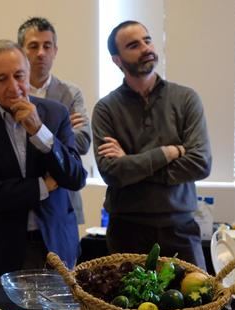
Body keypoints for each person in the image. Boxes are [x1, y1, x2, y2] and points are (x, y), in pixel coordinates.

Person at [0, 39, 87, 286]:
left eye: (19, 76)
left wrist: (40, 132)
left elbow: (75, 177)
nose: (13, 87)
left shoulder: (55, 114)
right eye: (1, 79)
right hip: (1, 251)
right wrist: (41, 187)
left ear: (28, 74)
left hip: (55, 245)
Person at [92, 20, 212, 269]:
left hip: (179, 228)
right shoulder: (106, 109)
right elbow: (112, 173)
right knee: (127, 307)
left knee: (198, 306)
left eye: (147, 40)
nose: (145, 48)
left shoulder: (186, 99)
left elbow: (200, 163)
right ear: (117, 60)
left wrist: (131, 163)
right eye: (133, 45)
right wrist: (168, 152)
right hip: (127, 232)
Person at [17, 17, 92, 225]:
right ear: (21, 51)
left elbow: (84, 141)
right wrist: (63, 129)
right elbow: (10, 145)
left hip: (63, 197)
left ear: (55, 51)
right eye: (33, 46)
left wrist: (36, 131)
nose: (41, 52)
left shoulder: (71, 93)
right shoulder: (11, 93)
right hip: (21, 199)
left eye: (47, 46)